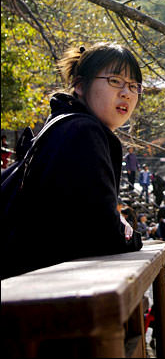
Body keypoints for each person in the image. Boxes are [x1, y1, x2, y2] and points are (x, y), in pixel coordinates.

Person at [2, 42, 144, 280]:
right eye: (115, 81)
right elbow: (103, 232)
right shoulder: (84, 131)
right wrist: (129, 234)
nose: (126, 93)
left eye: (133, 86)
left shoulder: (66, 125)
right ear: (80, 85)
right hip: (38, 294)